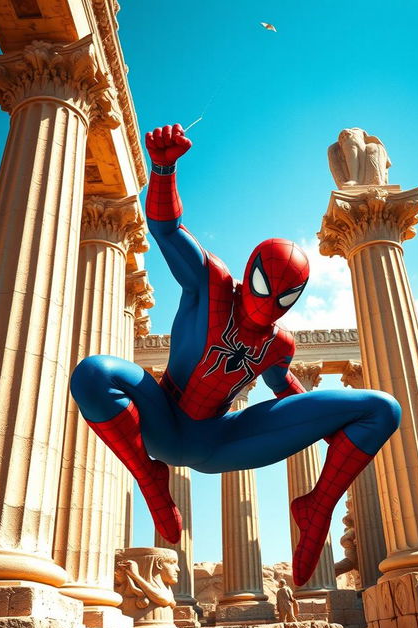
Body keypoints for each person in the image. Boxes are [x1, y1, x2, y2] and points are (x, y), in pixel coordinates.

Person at [70, 124, 401, 586]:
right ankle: (150, 479)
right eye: (266, 288)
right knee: (92, 373)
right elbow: (166, 230)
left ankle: (316, 507)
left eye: (284, 298)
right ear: (251, 272)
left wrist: (342, 438)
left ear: (296, 297)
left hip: (218, 440)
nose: (269, 306)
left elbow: (287, 396)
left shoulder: (278, 344)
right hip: (162, 416)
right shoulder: (211, 285)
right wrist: (164, 167)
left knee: (382, 409)